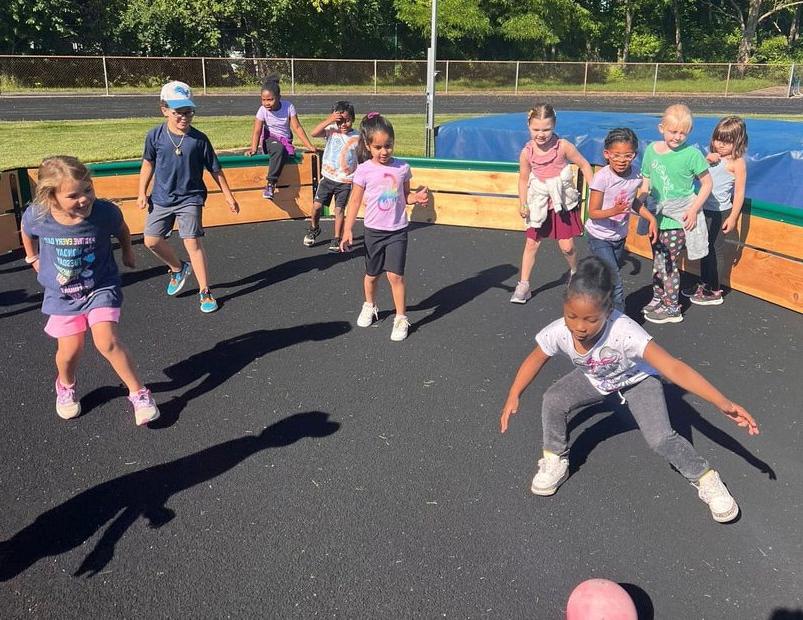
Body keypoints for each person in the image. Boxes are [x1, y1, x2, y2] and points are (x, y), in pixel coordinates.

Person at [499, 257, 759, 523]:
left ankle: (706, 478)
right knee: (553, 400)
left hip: (637, 380)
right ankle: (555, 459)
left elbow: (673, 367)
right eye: (572, 316)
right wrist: (514, 393)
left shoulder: (624, 332)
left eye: (590, 319)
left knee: (660, 438)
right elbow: (536, 357)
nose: (579, 327)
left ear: (608, 311)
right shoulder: (560, 332)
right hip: (596, 377)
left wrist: (723, 402)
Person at [21, 156, 160, 426]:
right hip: (62, 294)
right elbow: (27, 231)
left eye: (88, 190)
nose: (84, 199)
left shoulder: (104, 213)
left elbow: (122, 229)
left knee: (106, 341)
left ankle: (139, 394)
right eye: (73, 195)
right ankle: (66, 385)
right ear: (51, 197)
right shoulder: (38, 216)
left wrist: (128, 251)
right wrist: (32, 257)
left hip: (100, 285)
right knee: (70, 350)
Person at [137, 80, 240, 314]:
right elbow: (148, 163)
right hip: (161, 197)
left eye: (189, 112)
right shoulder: (155, 136)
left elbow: (215, 169)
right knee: (151, 240)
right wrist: (141, 191)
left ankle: (205, 291)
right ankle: (177, 267)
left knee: (192, 242)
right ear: (164, 110)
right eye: (178, 113)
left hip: (190, 198)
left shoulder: (199, 139)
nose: (184, 117)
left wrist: (228, 195)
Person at [339, 113, 429, 342]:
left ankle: (400, 317)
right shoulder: (364, 170)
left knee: (395, 276)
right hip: (373, 232)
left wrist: (415, 198)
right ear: (368, 146)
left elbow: (405, 196)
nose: (384, 151)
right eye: (378, 147)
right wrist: (347, 230)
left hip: (397, 231)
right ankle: (370, 305)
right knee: (372, 275)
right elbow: (355, 202)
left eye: (388, 146)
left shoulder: (402, 168)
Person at [635, 104, 712, 324]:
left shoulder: (692, 155)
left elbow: (707, 183)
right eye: (673, 132)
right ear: (662, 128)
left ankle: (672, 307)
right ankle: (659, 296)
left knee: (667, 264)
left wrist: (694, 208)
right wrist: (640, 200)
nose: (678, 137)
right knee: (658, 260)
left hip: (677, 218)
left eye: (683, 133)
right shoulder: (651, 150)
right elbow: (647, 180)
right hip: (656, 216)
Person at [510, 104, 594, 304]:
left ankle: (575, 272)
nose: (541, 134)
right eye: (536, 129)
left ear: (554, 125)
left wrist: (595, 189)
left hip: (560, 202)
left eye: (546, 129)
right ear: (528, 126)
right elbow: (523, 178)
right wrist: (523, 203)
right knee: (531, 243)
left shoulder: (563, 146)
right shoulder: (527, 152)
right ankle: (523, 284)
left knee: (567, 247)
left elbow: (583, 164)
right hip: (539, 202)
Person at [586, 128, 658, 312]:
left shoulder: (635, 175)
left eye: (627, 155)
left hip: (619, 236)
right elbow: (593, 212)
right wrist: (614, 210)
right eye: (616, 155)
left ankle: (594, 301)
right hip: (599, 236)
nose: (621, 160)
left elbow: (633, 202)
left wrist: (651, 218)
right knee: (616, 281)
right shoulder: (602, 178)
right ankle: (620, 320)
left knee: (607, 278)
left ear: (634, 155)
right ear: (607, 154)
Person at [681, 116, 748, 306]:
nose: (721, 145)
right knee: (704, 247)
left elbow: (740, 192)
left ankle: (715, 289)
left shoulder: (737, 163)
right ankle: (705, 282)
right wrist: (705, 160)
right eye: (718, 139)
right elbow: (692, 176)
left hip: (720, 212)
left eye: (727, 141)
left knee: (715, 249)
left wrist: (734, 217)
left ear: (738, 142)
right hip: (703, 208)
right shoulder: (710, 157)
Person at [244, 75, 316, 200]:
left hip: (285, 140)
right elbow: (257, 131)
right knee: (278, 149)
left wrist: (309, 146)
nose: (267, 103)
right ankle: (271, 184)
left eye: (270, 100)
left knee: (283, 150)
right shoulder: (262, 110)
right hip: (270, 139)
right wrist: (253, 148)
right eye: (263, 100)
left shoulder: (288, 107)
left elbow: (297, 127)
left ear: (279, 98)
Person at [305, 101, 360, 251]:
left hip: (345, 180)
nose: (343, 124)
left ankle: (336, 238)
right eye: (340, 121)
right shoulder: (331, 130)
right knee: (316, 206)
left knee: (339, 210)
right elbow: (314, 133)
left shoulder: (357, 137)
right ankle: (314, 228)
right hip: (328, 178)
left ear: (353, 119)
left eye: (347, 120)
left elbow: (362, 157)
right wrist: (330, 120)